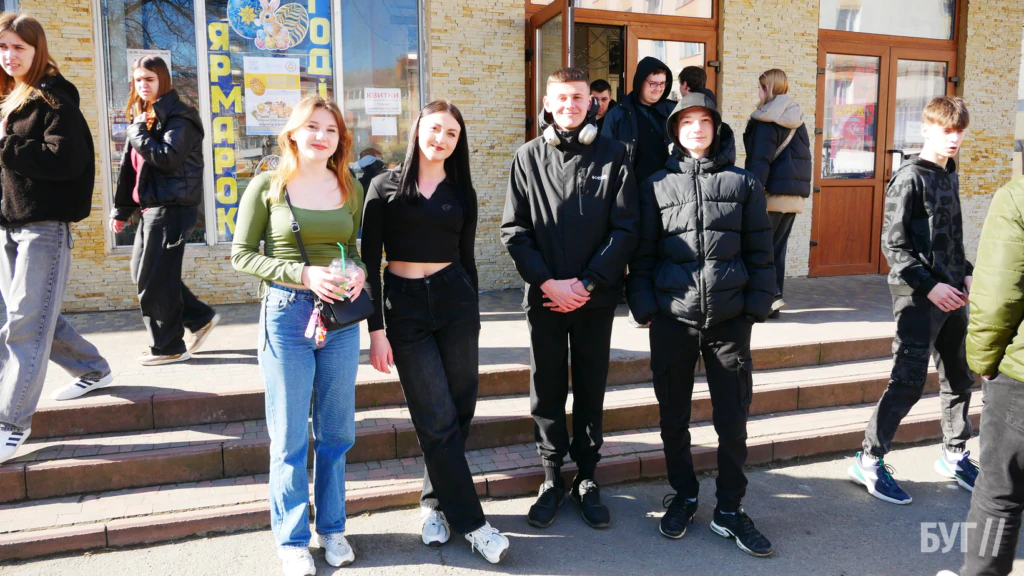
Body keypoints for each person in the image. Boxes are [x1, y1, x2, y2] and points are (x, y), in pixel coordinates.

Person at [626, 90, 775, 557]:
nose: (696, 129)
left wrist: (756, 306)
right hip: (673, 319)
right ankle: (684, 495)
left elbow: (761, 250)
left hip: (729, 322)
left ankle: (729, 508)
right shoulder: (655, 185)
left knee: (733, 419)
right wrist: (645, 307)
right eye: (687, 121)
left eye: (704, 121)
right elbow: (642, 256)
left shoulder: (743, 183)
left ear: (716, 128)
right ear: (675, 130)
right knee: (674, 416)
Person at [363, 101, 510, 564]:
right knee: (434, 415)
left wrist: (475, 315)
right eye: (434, 129)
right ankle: (474, 524)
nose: (441, 139)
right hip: (404, 307)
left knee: (458, 411)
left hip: (455, 301)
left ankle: (433, 504)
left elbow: (467, 259)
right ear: (417, 131)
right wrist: (376, 330)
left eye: (451, 133)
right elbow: (368, 263)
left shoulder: (461, 191)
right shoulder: (383, 186)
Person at [232, 95, 366, 576]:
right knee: (289, 436)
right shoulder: (267, 186)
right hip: (287, 316)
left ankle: (332, 528)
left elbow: (355, 249)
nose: (321, 136)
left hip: (339, 321)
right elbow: (242, 254)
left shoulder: (350, 186)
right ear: (292, 132)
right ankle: (291, 540)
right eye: (312, 126)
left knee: (337, 432)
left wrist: (358, 274)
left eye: (331, 130)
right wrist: (303, 274)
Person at [501, 67, 638, 531]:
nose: (570, 105)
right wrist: (548, 283)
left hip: (594, 299)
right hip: (545, 298)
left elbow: (626, 228)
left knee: (591, 386)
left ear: (591, 103)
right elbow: (514, 230)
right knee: (547, 387)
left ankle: (587, 476)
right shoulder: (527, 157)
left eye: (578, 97)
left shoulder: (615, 154)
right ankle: (550, 476)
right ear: (547, 103)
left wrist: (587, 283)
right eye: (561, 98)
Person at [848, 96, 977, 506]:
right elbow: (895, 246)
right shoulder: (909, 178)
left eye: (959, 131)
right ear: (926, 130)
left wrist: (966, 270)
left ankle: (954, 454)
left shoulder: (949, 174)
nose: (953, 138)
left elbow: (949, 237)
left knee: (959, 377)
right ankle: (868, 460)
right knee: (907, 381)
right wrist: (931, 287)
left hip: (953, 294)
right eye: (946, 130)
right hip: (918, 298)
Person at [0, 13, 115, 463]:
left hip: (43, 227)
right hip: (10, 225)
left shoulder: (53, 97)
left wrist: (5, 146)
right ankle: (92, 368)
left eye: (19, 48)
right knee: (25, 315)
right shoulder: (9, 97)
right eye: (3, 47)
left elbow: (66, 160)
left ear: (37, 50)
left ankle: (12, 423)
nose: (9, 56)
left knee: (25, 322)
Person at [935, 176, 1024, 576]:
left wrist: (983, 361)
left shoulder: (1017, 197)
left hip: (1019, 377)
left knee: (999, 493)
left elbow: (997, 297)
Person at [110, 55, 219, 365]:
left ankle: (169, 346)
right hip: (151, 209)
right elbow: (131, 170)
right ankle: (199, 318)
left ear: (163, 80)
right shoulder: (145, 118)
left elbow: (167, 158)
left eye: (149, 79)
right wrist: (121, 211)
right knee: (144, 273)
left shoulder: (180, 117)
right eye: (138, 80)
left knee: (155, 279)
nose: (142, 85)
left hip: (172, 209)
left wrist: (136, 133)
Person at [742, 69, 812, 318]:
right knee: (776, 249)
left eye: (760, 87)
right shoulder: (796, 117)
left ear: (768, 89)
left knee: (759, 249)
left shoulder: (767, 119)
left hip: (770, 194)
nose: (758, 92)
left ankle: (768, 297)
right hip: (793, 196)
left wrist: (751, 192)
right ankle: (773, 300)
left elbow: (760, 160)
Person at [600, 56, 676, 189]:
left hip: (669, 189)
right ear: (640, 81)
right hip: (630, 190)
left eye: (662, 83)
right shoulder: (617, 114)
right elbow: (605, 155)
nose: (658, 88)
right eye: (653, 83)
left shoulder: (674, 112)